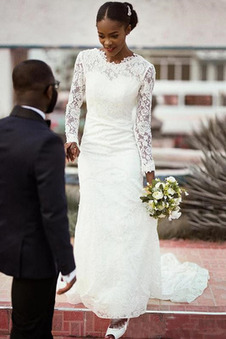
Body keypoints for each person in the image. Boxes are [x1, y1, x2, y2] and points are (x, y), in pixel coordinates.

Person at [64, 2, 209, 338]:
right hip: (94, 154)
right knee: (98, 222)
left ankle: (122, 307)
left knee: (128, 225)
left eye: (113, 35)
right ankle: (97, 283)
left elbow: (142, 124)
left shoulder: (144, 69)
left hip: (126, 152)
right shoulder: (85, 60)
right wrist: (71, 139)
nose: (106, 42)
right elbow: (73, 106)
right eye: (100, 35)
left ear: (128, 29)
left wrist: (148, 170)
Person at [0, 59, 76, 339]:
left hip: (7, 244)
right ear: (48, 92)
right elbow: (53, 211)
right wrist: (68, 265)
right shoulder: (46, 142)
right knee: (32, 330)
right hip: (34, 257)